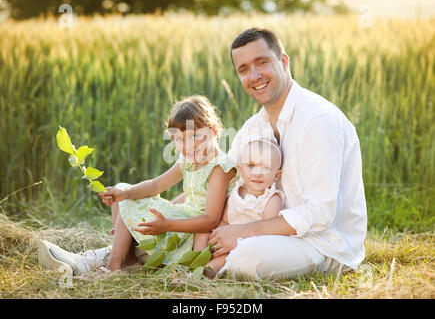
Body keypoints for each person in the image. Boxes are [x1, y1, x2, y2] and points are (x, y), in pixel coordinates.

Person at [207, 27, 367, 280]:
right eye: (244, 69)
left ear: (283, 62)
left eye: (262, 62)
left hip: (322, 245)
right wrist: (157, 208)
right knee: (181, 234)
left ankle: (220, 263)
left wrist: (241, 233)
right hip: (270, 236)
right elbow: (215, 178)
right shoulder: (253, 127)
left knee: (249, 256)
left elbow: (320, 214)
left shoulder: (317, 120)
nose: (255, 75)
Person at [38, 95, 237, 277]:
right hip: (182, 220)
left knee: (130, 203)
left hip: (192, 235)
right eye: (179, 139)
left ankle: (114, 265)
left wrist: (167, 224)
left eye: (194, 136)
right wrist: (125, 192)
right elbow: (156, 184)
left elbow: (210, 220)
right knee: (124, 193)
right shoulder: (188, 160)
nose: (187, 146)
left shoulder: (219, 167)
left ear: (214, 131)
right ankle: (127, 259)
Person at [204, 137, 285, 279]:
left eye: (265, 167)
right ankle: (202, 266)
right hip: (226, 243)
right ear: (240, 170)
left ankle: (209, 274)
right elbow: (224, 220)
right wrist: (217, 239)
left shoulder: (272, 199)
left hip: (249, 248)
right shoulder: (235, 193)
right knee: (204, 237)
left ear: (276, 175)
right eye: (252, 166)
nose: (257, 173)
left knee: (217, 265)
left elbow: (269, 234)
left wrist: (235, 244)